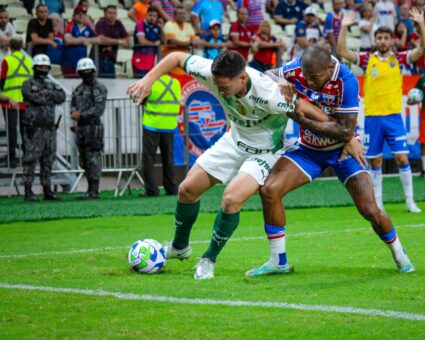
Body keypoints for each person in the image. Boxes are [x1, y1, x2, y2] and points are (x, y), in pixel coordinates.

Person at [127, 50, 353, 280]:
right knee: (187, 190)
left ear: (242, 78)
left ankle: (208, 259)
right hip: (234, 142)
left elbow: (310, 110)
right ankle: (179, 246)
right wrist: (147, 79)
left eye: (224, 87)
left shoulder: (269, 93)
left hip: (265, 152)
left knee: (231, 199)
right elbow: (175, 57)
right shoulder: (213, 73)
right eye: (217, 86)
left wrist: (348, 137)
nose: (220, 91)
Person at [247, 45, 415, 277]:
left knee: (369, 209)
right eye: (305, 76)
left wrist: (300, 118)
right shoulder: (299, 68)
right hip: (309, 150)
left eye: (314, 77)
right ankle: (278, 261)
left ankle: (399, 253)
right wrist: (280, 82)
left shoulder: (347, 80)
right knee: (269, 190)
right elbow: (266, 75)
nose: (308, 81)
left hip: (344, 151)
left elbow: (345, 132)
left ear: (329, 68)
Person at [337, 10, 425, 213]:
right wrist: (344, 26)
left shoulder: (401, 58)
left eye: (386, 38)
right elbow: (342, 51)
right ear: (375, 40)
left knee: (402, 158)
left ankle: (410, 201)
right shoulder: (367, 59)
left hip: (394, 117)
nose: (383, 41)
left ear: (392, 40)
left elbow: (423, 48)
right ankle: (378, 202)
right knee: (375, 161)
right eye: (379, 37)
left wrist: (420, 24)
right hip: (373, 118)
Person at [21, 54, 66, 202]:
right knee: (31, 159)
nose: (43, 69)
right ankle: (28, 191)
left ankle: (47, 190)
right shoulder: (28, 83)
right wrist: (49, 96)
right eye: (40, 67)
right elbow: (34, 98)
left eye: (46, 67)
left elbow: (62, 96)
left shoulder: (50, 84)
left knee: (48, 160)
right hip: (34, 129)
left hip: (49, 129)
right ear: (35, 67)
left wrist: (47, 94)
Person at [70, 58, 107, 200]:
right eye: (83, 71)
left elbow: (99, 109)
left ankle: (94, 190)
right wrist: (73, 112)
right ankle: (89, 189)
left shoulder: (99, 88)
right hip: (81, 129)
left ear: (93, 71)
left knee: (93, 159)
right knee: (84, 159)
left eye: (88, 71)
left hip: (93, 128)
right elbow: (73, 105)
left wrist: (81, 114)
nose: (86, 73)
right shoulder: (78, 89)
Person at [140, 74, 180, 197]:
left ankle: (152, 190)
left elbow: (141, 100)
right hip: (169, 126)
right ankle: (171, 188)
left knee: (148, 158)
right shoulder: (175, 83)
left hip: (152, 125)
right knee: (168, 158)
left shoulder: (150, 82)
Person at [0, 38, 32, 168]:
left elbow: (2, 81)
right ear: (22, 46)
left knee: (11, 129)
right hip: (25, 101)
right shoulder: (30, 61)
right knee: (24, 129)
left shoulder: (7, 60)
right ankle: (26, 156)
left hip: (10, 100)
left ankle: (11, 158)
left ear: (9, 46)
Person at [62, 6, 100, 78]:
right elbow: (68, 40)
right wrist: (82, 40)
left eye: (83, 14)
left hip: (84, 63)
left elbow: (99, 39)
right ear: (74, 15)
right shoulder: (70, 25)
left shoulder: (89, 28)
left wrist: (90, 23)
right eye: (78, 14)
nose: (81, 16)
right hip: (70, 62)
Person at [95, 5, 130, 78]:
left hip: (111, 60)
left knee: (111, 85)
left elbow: (127, 40)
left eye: (114, 13)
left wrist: (110, 42)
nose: (112, 15)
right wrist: (119, 42)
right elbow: (102, 40)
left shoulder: (118, 24)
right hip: (99, 60)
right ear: (105, 14)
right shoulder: (100, 23)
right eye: (110, 13)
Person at [132, 7, 162, 78]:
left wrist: (162, 29)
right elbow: (141, 41)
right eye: (150, 15)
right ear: (146, 15)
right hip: (139, 61)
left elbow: (163, 41)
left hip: (151, 62)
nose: (152, 18)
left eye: (154, 16)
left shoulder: (157, 27)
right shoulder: (140, 24)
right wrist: (154, 44)